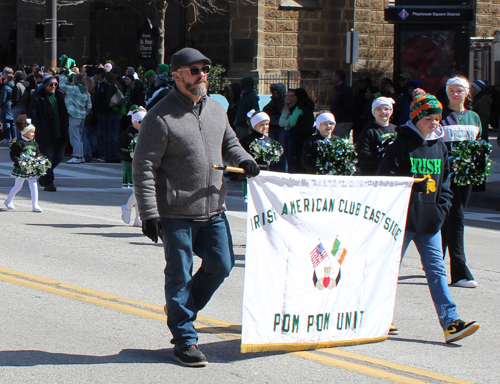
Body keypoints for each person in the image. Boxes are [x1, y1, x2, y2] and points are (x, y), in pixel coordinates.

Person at [132, 47, 259, 367]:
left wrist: (245, 160)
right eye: (194, 70)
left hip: (214, 208)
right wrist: (149, 213)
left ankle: (181, 311)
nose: (201, 75)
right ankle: (185, 339)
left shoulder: (216, 108)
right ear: (176, 76)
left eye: (204, 69)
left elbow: (229, 144)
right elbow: (143, 167)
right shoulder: (159, 117)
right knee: (179, 275)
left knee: (222, 264)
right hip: (176, 213)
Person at [377, 92, 480, 344]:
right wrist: (410, 186)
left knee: (436, 270)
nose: (435, 123)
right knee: (389, 270)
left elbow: (445, 181)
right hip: (403, 221)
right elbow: (385, 180)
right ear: (417, 116)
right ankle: (380, 317)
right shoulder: (401, 144)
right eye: (430, 118)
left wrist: (441, 208)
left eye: (437, 118)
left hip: (430, 221)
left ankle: (451, 322)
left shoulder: (439, 146)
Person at [440, 76, 481, 288]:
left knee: (450, 220)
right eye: (451, 90)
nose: (455, 94)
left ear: (467, 93)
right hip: (446, 177)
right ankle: (460, 273)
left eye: (459, 90)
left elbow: (478, 146)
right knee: (457, 220)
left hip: (466, 177)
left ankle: (434, 262)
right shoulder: (440, 116)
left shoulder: (474, 117)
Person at [28, 75, 69, 191]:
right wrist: (39, 128)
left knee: (59, 157)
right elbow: (33, 114)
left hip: (60, 132)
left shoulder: (59, 97)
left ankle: (43, 174)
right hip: (45, 133)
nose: (54, 86)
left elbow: (64, 114)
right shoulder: (38, 98)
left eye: (56, 84)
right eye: (51, 84)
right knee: (48, 158)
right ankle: (48, 182)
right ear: (45, 86)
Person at [4, 115, 42, 212]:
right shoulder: (18, 144)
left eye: (34, 132)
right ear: (25, 132)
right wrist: (19, 162)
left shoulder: (34, 143)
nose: (33, 134)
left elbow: (38, 154)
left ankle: (35, 205)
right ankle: (8, 200)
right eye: (31, 132)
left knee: (34, 185)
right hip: (21, 168)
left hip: (32, 168)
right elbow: (13, 155)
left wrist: (38, 161)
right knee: (18, 186)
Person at [118, 106, 146, 227]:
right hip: (132, 165)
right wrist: (130, 155)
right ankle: (131, 212)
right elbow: (119, 149)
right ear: (134, 122)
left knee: (140, 191)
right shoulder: (128, 134)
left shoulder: (148, 133)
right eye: (140, 122)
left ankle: (133, 213)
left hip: (145, 165)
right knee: (138, 191)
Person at [356, 97, 397, 175]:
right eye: (379, 109)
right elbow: (363, 156)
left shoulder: (396, 130)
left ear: (391, 111)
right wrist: (383, 155)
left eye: (386, 109)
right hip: (373, 174)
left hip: (391, 174)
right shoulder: (368, 132)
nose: (383, 112)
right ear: (373, 112)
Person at [59, 72, 92, 164]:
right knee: (79, 138)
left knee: (74, 138)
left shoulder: (74, 89)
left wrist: (62, 75)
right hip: (81, 116)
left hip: (73, 115)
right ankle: (81, 156)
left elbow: (61, 85)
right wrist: (84, 114)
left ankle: (77, 156)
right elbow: (89, 106)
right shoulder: (86, 91)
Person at [289, 88, 315, 173]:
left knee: (298, 156)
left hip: (298, 135)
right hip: (308, 134)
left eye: (294, 95)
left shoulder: (299, 107)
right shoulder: (309, 105)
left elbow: (292, 122)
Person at [263, 83, 286, 171]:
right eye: (274, 93)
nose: (275, 95)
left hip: (280, 127)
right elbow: (266, 109)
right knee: (272, 146)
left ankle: (281, 167)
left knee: (281, 147)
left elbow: (282, 110)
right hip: (272, 125)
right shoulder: (272, 101)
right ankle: (272, 165)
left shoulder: (283, 101)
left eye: (277, 93)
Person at [233, 76, 260, 140]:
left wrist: (245, 119)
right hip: (239, 126)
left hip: (245, 127)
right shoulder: (244, 96)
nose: (241, 86)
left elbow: (255, 111)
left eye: (243, 85)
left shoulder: (252, 97)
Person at [330, 69, 353, 139]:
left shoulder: (346, 88)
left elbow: (348, 104)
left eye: (333, 76)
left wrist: (337, 114)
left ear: (338, 77)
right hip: (338, 120)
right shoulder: (339, 88)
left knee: (340, 142)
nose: (332, 78)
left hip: (343, 121)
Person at [279, 89, 295, 172]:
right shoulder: (285, 108)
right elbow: (281, 122)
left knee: (291, 156)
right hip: (285, 132)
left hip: (291, 133)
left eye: (291, 96)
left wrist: (284, 122)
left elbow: (288, 123)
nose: (288, 98)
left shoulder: (294, 108)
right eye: (287, 96)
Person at [0, 73, 15, 144]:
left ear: (8, 79)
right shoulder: (14, 86)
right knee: (12, 122)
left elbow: (3, 99)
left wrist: (1, 105)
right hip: (12, 105)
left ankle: (7, 137)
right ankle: (14, 137)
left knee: (6, 122)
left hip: (6, 106)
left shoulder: (5, 87)